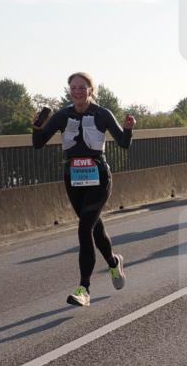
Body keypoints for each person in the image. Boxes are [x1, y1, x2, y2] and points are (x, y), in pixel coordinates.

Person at [32, 72, 136, 307]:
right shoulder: (62, 116)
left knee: (84, 228)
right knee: (95, 229)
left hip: (99, 178)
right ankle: (113, 262)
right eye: (73, 88)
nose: (77, 91)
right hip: (73, 180)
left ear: (91, 90)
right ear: (69, 91)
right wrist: (37, 127)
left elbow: (123, 143)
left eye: (82, 87)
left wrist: (129, 128)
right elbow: (38, 144)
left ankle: (84, 289)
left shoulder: (102, 114)